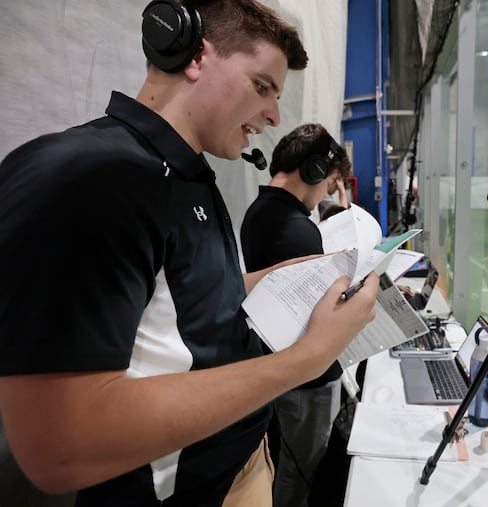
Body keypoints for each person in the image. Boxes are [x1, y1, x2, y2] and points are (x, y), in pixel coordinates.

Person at [0, 2, 379, 506]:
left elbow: (177, 302)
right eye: (262, 86)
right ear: (195, 56)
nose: (273, 116)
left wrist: (283, 277)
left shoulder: (184, 176)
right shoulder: (88, 180)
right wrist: (304, 360)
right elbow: (59, 445)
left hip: (239, 465)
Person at [239, 123, 352, 507]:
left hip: (288, 372)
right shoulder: (295, 228)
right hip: (308, 379)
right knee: (302, 469)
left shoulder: (262, 211)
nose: (325, 193)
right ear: (315, 172)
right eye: (329, 182)